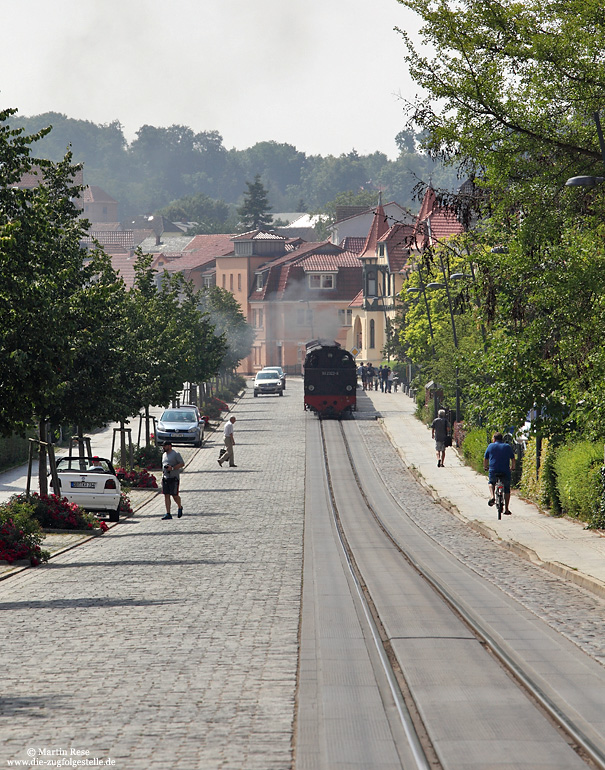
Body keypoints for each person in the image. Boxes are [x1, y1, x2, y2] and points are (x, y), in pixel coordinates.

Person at [484, 432, 516, 515]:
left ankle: (492, 496)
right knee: (507, 489)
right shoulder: (507, 446)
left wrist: (485, 467)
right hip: (505, 470)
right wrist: (512, 467)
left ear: (494, 439)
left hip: (493, 470)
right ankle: (507, 509)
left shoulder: (490, 446)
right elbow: (513, 459)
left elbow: (485, 459)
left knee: (491, 483)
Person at [161, 441, 185, 520]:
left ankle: (179, 506)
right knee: (166, 495)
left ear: (169, 446)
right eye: (163, 446)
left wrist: (173, 468)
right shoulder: (164, 455)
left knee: (174, 495)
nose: (163, 447)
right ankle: (168, 513)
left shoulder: (176, 454)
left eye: (165, 446)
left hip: (174, 478)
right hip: (165, 478)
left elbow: (182, 463)